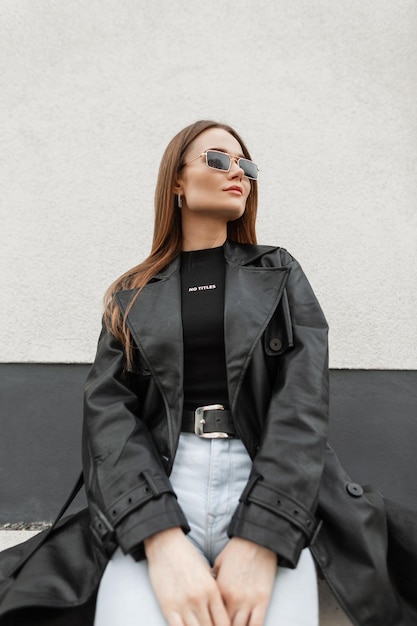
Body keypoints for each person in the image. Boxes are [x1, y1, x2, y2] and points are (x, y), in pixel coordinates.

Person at [83, 119, 329, 626]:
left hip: (260, 473)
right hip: (162, 479)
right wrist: (158, 535)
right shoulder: (132, 292)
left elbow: (303, 402)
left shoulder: (277, 272)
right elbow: (107, 415)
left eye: (246, 164)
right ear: (177, 180)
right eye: (218, 159)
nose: (237, 171)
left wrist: (264, 533)